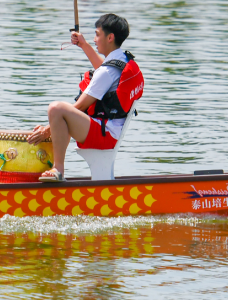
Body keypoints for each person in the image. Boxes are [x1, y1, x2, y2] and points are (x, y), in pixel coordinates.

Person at [30, 12, 143, 182]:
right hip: (110, 131)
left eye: (97, 35)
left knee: (57, 109)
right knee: (61, 114)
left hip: (105, 135)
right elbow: (103, 69)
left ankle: (57, 169)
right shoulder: (122, 59)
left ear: (110, 37)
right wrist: (83, 45)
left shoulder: (107, 72)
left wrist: (48, 129)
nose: (95, 39)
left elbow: (80, 107)